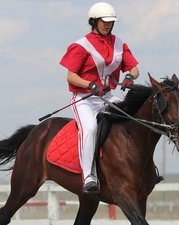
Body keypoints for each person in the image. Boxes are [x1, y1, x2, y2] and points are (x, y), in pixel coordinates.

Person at [60, 2, 139, 193]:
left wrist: (129, 77)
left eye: (111, 22)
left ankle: (142, 168)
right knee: (90, 128)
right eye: (104, 22)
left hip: (108, 97)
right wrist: (90, 84)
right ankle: (89, 175)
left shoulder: (120, 44)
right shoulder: (80, 46)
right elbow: (71, 76)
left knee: (133, 119)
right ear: (94, 21)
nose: (108, 25)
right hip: (84, 99)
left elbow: (134, 69)